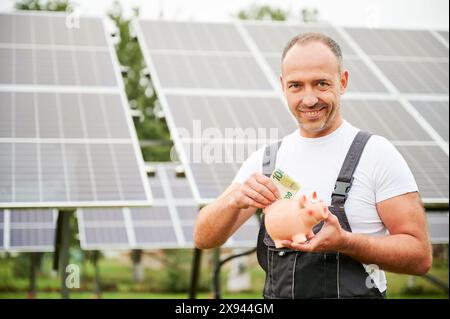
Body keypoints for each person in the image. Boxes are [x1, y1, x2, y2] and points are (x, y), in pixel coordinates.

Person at [193, 32, 432, 298]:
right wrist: (233, 200)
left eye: (321, 84)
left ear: (342, 82)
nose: (309, 99)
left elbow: (419, 257)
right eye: (296, 85)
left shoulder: (377, 155)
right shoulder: (266, 161)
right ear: (283, 86)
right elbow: (204, 238)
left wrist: (347, 243)